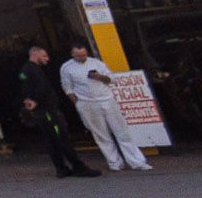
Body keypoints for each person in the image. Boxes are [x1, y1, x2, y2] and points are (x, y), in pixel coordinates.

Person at [62, 42, 152, 172]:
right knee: (101, 135)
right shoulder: (66, 67)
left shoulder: (96, 63)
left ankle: (137, 162)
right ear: (72, 55)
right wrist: (78, 104)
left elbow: (112, 79)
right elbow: (68, 88)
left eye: (84, 55)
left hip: (107, 99)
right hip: (87, 103)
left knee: (122, 132)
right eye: (79, 56)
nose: (82, 58)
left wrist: (99, 76)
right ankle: (114, 163)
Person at [16, 46, 99, 178]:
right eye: (44, 56)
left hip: (45, 110)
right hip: (48, 111)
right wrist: (34, 100)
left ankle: (61, 168)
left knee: (52, 140)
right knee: (61, 137)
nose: (47, 59)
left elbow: (26, 89)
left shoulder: (29, 70)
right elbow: (33, 90)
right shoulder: (31, 70)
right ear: (35, 55)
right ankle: (78, 167)